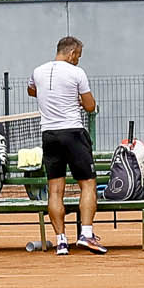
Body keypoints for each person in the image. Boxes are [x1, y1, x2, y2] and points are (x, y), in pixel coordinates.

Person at [26, 36, 104, 254]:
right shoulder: (77, 73)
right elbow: (90, 106)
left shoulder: (37, 71)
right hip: (73, 132)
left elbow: (31, 90)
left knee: (55, 190)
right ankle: (86, 235)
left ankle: (61, 241)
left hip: (49, 134)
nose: (78, 60)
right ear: (71, 53)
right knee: (88, 183)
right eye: (78, 56)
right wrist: (76, 100)